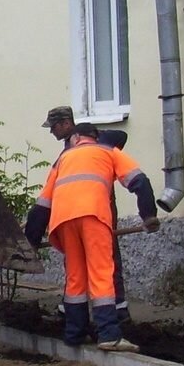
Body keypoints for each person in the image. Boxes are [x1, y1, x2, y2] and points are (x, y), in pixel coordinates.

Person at [25, 121, 159, 351]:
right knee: (101, 272)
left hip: (63, 221)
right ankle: (109, 334)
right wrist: (148, 216)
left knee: (76, 277)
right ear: (94, 138)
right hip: (93, 217)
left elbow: (43, 204)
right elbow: (140, 182)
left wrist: (31, 241)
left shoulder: (62, 159)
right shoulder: (108, 151)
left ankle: (74, 334)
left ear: (76, 138)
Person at [41, 106, 132, 320]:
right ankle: (70, 309)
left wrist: (98, 139)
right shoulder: (67, 150)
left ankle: (119, 310)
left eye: (53, 127)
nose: (51, 132)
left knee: (107, 261)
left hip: (100, 210)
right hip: (76, 212)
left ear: (65, 124)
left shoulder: (92, 141)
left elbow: (121, 135)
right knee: (75, 265)